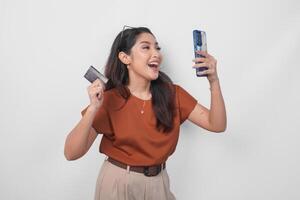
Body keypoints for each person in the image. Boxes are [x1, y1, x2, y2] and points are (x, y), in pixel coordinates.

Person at [64, 26, 226, 200]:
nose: (156, 53)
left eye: (157, 47)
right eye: (146, 47)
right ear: (125, 58)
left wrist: (214, 81)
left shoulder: (174, 94)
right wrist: (93, 108)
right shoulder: (109, 99)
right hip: (117, 183)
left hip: (158, 183)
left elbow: (216, 124)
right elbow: (71, 153)